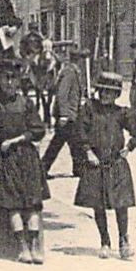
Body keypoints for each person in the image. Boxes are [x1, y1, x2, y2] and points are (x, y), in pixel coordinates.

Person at [0, 57, 48, 263]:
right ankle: (22, 247)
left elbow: (38, 130)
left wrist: (16, 140)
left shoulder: (26, 103)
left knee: (33, 204)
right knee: (13, 205)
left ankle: (35, 248)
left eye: (12, 79)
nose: (8, 83)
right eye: (5, 79)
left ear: (18, 81)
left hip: (26, 158)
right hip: (6, 161)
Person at [75, 72, 136, 260]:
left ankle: (124, 241)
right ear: (99, 91)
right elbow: (80, 132)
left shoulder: (121, 113)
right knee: (98, 204)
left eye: (111, 93)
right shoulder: (89, 109)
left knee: (121, 204)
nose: (106, 96)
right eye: (104, 91)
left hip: (116, 163)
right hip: (96, 163)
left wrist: (129, 147)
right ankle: (105, 241)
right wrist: (88, 151)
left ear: (116, 95)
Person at [41, 41, 89, 177]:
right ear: (77, 59)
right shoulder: (69, 72)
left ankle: (78, 168)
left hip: (72, 114)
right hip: (67, 116)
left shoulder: (74, 71)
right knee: (61, 143)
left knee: (73, 143)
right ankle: (42, 169)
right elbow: (62, 94)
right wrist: (63, 115)